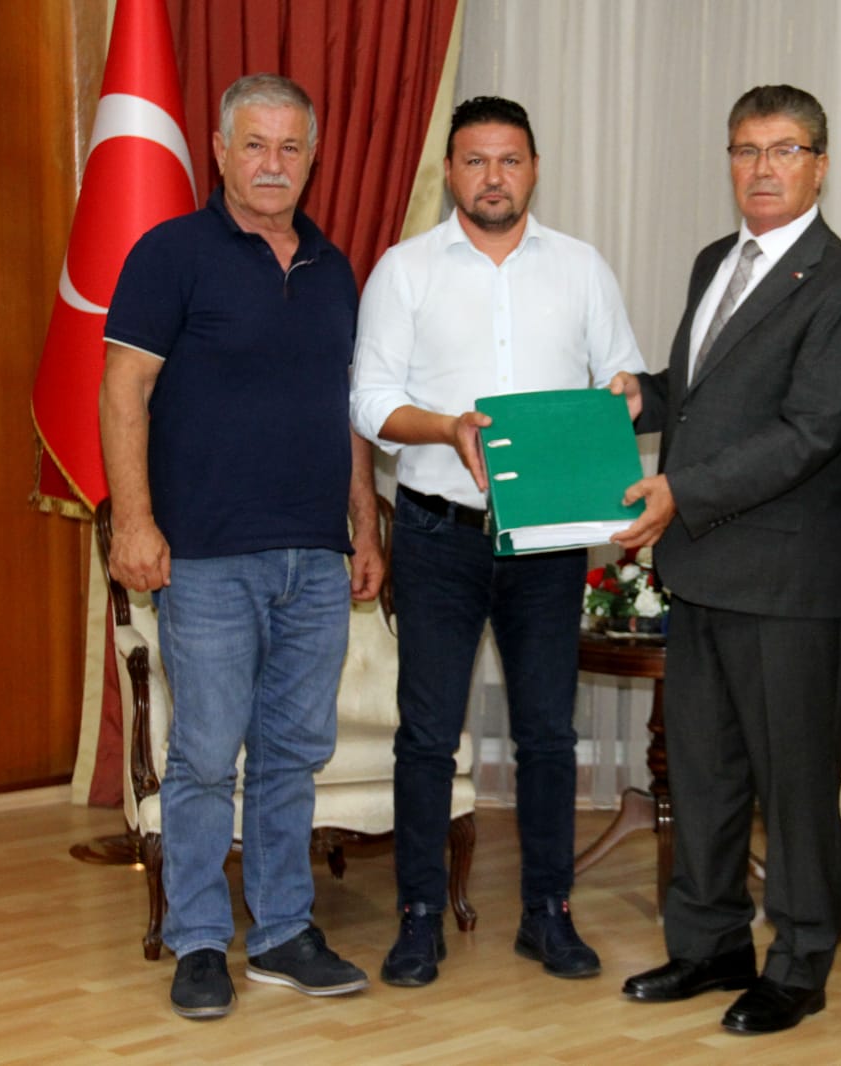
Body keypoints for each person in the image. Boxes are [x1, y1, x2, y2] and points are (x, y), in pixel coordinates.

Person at [100, 73, 381, 1020]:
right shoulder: (170, 253)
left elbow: (347, 407)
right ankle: (196, 941)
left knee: (293, 752)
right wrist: (134, 522)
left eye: (290, 147)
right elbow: (123, 390)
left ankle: (283, 932)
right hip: (208, 557)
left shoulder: (335, 268)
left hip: (315, 557)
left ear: (313, 157)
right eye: (253, 144)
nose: (272, 163)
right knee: (206, 755)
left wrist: (363, 522)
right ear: (219, 151)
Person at [349, 96, 645, 987]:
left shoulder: (582, 268)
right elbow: (369, 400)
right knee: (427, 735)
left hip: (548, 541)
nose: (493, 178)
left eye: (509, 160)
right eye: (475, 161)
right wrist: (446, 428)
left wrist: (619, 401)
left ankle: (548, 914)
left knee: (548, 734)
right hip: (440, 535)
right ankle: (418, 918)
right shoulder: (404, 270)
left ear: (534, 169)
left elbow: (623, 378)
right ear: (450, 171)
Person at [609, 85, 841, 1035]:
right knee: (706, 774)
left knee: (794, 787)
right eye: (745, 150)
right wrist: (641, 398)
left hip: (785, 581)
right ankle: (709, 944)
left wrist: (681, 490)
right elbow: (705, 396)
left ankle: (799, 963)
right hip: (701, 569)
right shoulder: (711, 262)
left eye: (784, 150)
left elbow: (809, 432)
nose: (762, 169)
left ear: (820, 164)